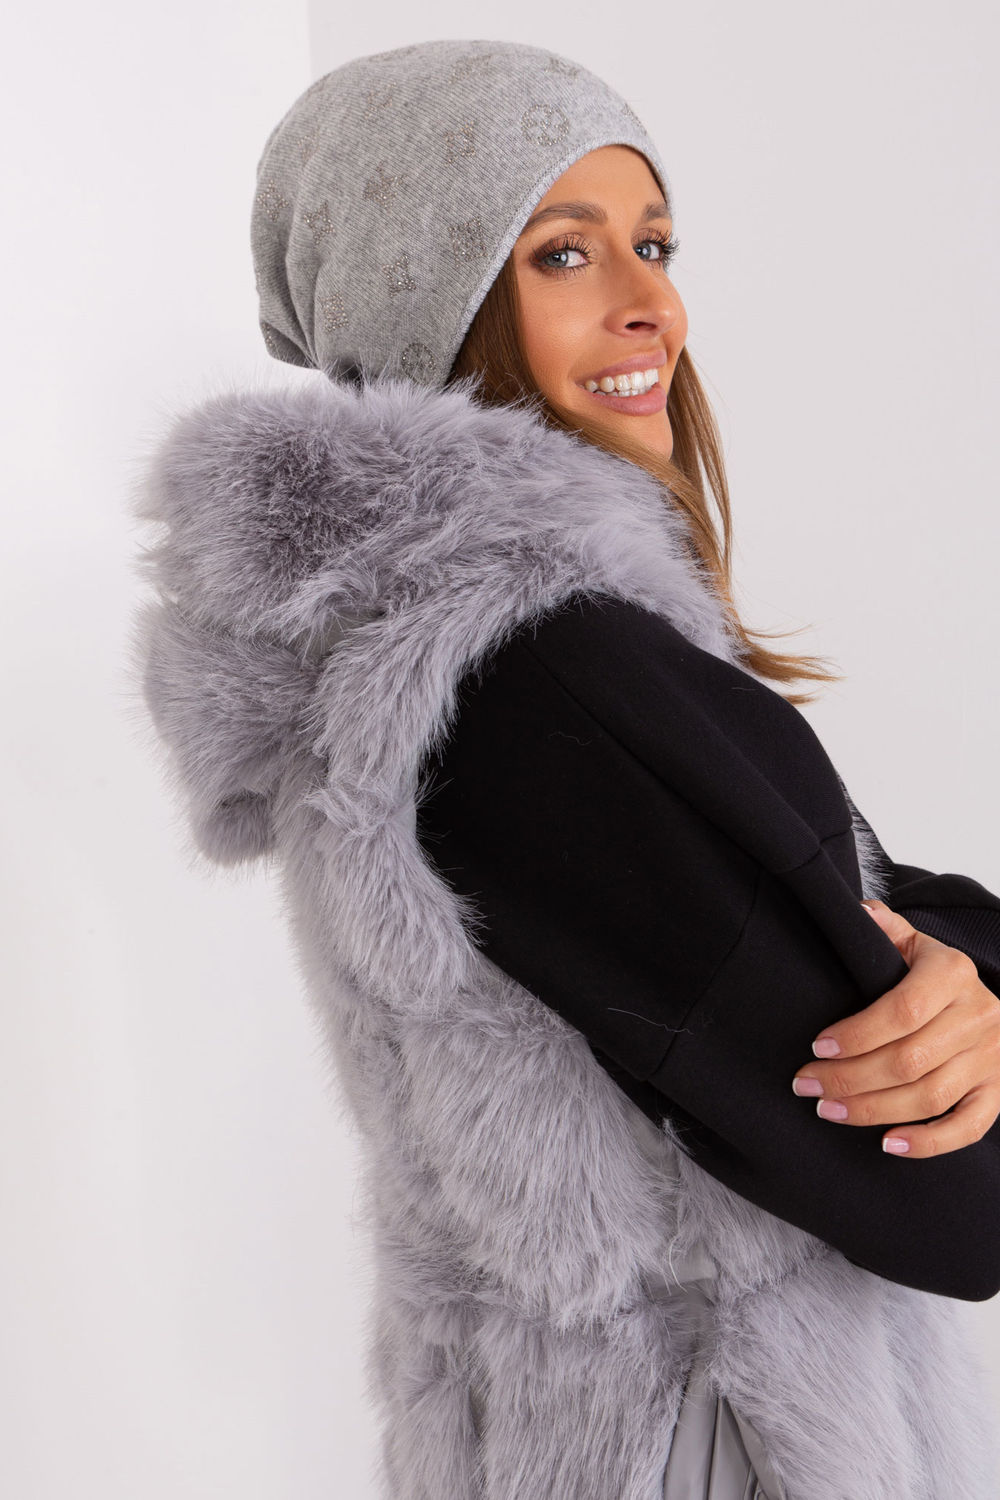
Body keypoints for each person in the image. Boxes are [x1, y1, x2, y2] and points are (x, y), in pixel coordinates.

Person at [133, 38, 1000, 1499]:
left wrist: (967, 975)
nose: (651, 301)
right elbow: (957, 1208)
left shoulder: (425, 665)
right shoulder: (543, 675)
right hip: (726, 1438)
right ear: (429, 300)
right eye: (563, 252)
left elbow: (867, 909)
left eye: (652, 243)